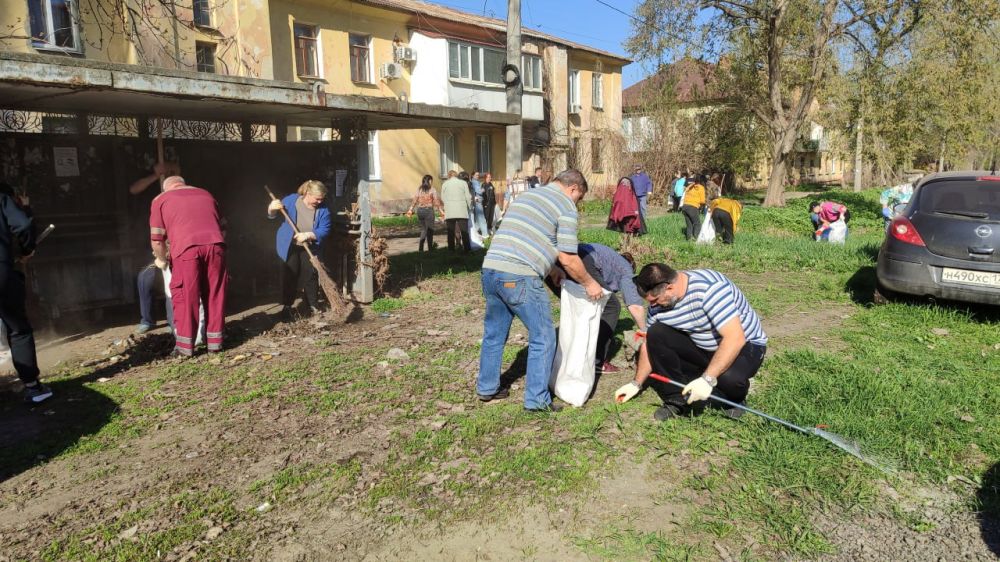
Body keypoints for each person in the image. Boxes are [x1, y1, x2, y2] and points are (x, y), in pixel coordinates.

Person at [477, 169, 603, 413]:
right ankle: (537, 400)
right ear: (573, 189)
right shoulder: (565, 205)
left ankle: (487, 388)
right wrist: (589, 283)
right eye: (579, 197)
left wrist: (550, 267)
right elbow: (568, 256)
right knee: (543, 336)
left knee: (494, 333)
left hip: (491, 269)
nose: (577, 202)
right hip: (520, 276)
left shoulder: (527, 196)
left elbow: (526, 236)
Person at [616, 263, 768, 421]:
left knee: (729, 380)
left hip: (746, 345)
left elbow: (735, 338)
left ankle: (735, 399)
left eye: (655, 300)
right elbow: (649, 343)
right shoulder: (658, 305)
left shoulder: (710, 289)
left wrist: (707, 380)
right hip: (703, 346)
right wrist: (636, 384)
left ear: (669, 288)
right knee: (656, 332)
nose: (652, 306)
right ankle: (676, 397)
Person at [151, 176, 227, 356]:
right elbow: (223, 227)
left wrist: (163, 259)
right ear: (183, 184)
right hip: (216, 246)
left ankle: (185, 348)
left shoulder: (160, 200)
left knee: (186, 296)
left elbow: (157, 240)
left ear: (166, 188)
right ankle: (215, 343)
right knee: (215, 293)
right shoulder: (206, 194)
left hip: (186, 250)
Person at [548, 243, 646, 373]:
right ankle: (597, 360)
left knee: (582, 307)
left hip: (553, 261)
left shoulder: (609, 256)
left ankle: (570, 357)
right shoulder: (626, 268)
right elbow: (635, 306)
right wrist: (645, 330)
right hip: (579, 260)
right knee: (612, 306)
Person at [0, 182, 51, 403]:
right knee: (18, 329)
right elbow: (22, 225)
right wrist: (27, 249)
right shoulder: (2, 199)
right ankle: (33, 387)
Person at [268, 180, 332, 317]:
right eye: (317, 198)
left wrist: (309, 235)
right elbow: (273, 218)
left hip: (309, 246)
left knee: (311, 275)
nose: (320, 201)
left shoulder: (323, 209)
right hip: (289, 245)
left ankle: (312, 305)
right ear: (308, 194)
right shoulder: (291, 200)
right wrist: (271, 209)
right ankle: (287, 306)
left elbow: (325, 229)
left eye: (322, 199)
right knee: (290, 274)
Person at [406, 174, 444, 252]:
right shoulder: (432, 189)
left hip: (420, 211)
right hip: (428, 211)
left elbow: (415, 199)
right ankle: (430, 249)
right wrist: (441, 211)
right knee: (430, 230)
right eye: (431, 180)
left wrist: (410, 209)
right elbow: (436, 201)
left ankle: (421, 248)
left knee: (423, 229)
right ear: (429, 181)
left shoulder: (419, 189)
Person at [440, 170, 472, 252]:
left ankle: (451, 250)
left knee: (450, 232)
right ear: (456, 175)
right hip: (461, 211)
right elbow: (468, 197)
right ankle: (467, 251)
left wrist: (448, 205)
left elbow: (442, 198)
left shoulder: (445, 184)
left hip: (450, 212)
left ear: (449, 176)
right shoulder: (463, 183)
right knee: (464, 232)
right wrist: (469, 208)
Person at [680, 176, 706, 240]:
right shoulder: (701, 188)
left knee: (689, 225)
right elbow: (702, 200)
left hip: (685, 206)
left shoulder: (690, 186)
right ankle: (696, 238)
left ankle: (689, 239)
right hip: (692, 207)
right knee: (697, 224)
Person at [470, 171, 489, 237]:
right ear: (472, 175)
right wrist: (483, 189)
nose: (478, 176)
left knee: (477, 219)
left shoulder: (474, 182)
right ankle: (485, 234)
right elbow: (479, 191)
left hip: (477, 201)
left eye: (478, 175)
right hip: (478, 201)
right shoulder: (475, 182)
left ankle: (475, 232)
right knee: (481, 218)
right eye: (476, 175)